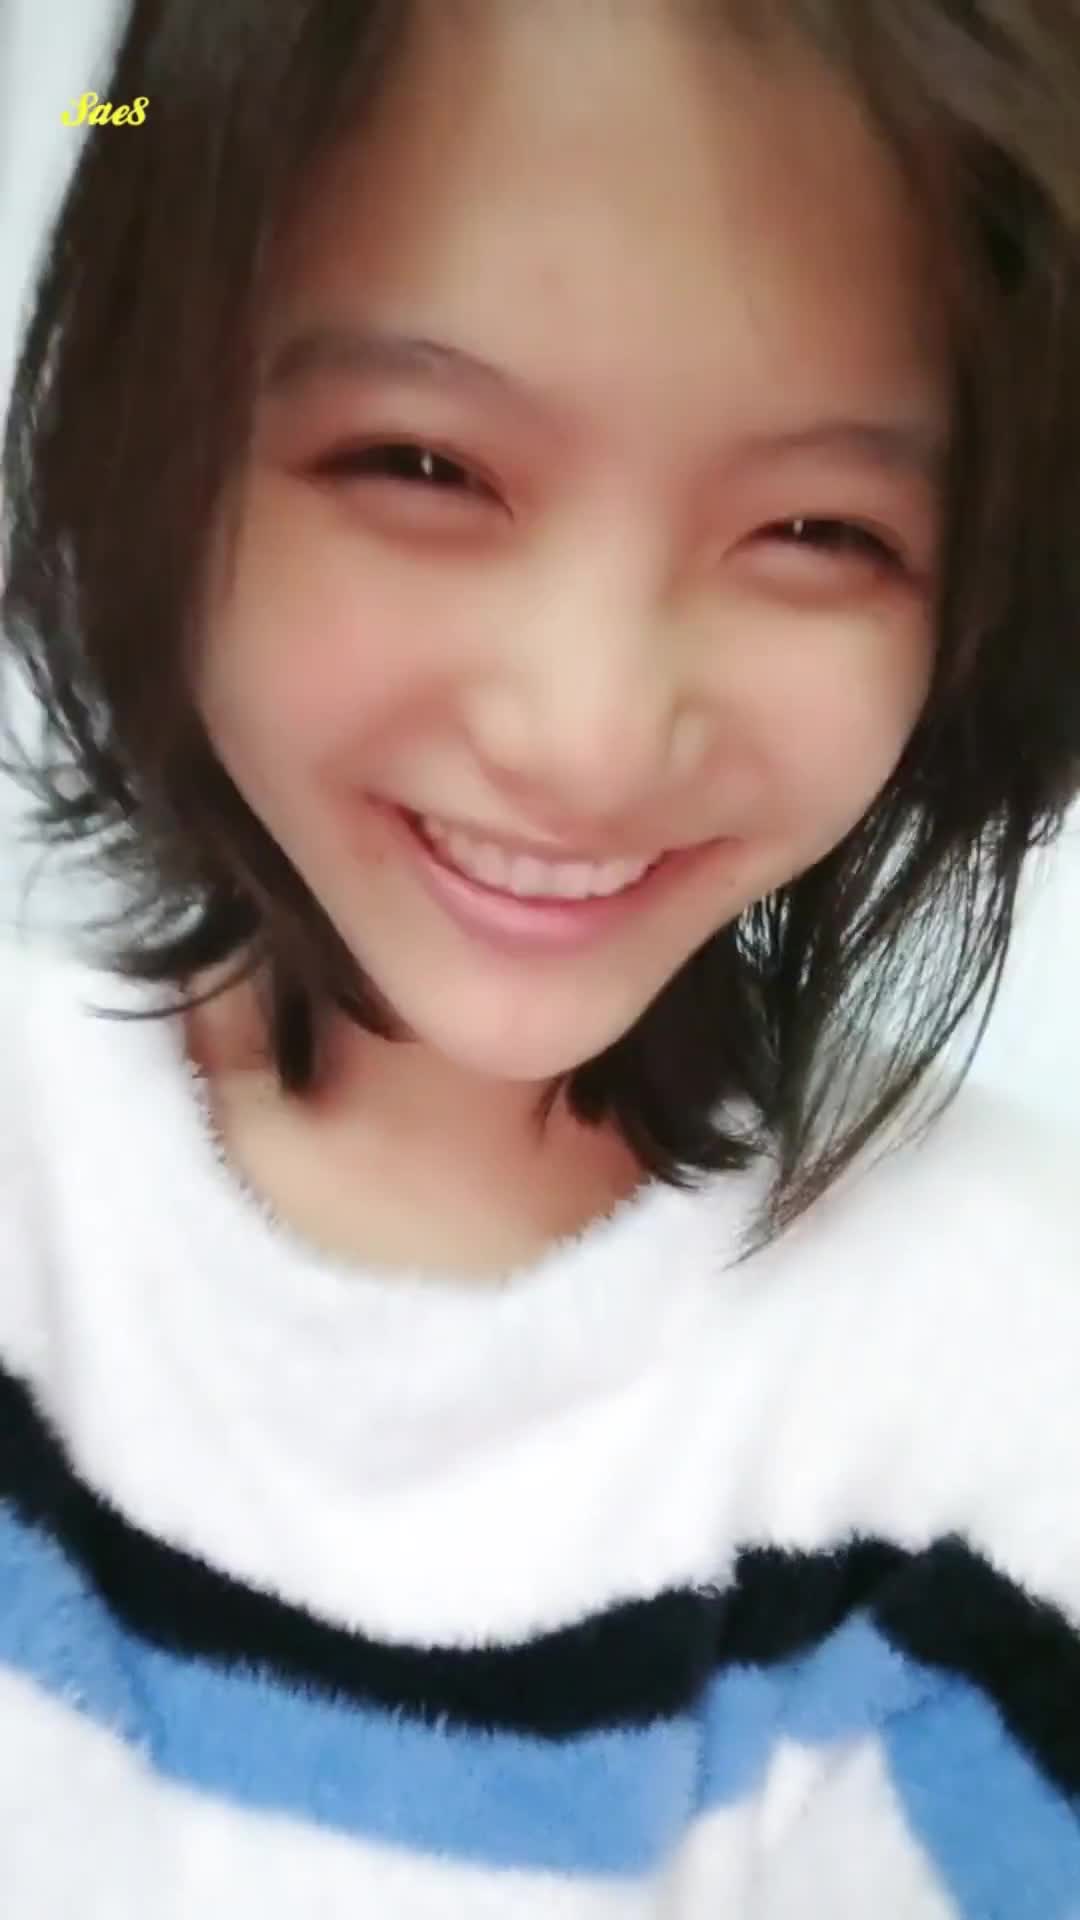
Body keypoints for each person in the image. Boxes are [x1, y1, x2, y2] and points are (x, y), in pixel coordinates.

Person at [1, 0, 1079, 1912]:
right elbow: (128, 109)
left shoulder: (996, 1402)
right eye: (423, 464)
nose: (588, 735)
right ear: (157, 407)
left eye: (817, 529)